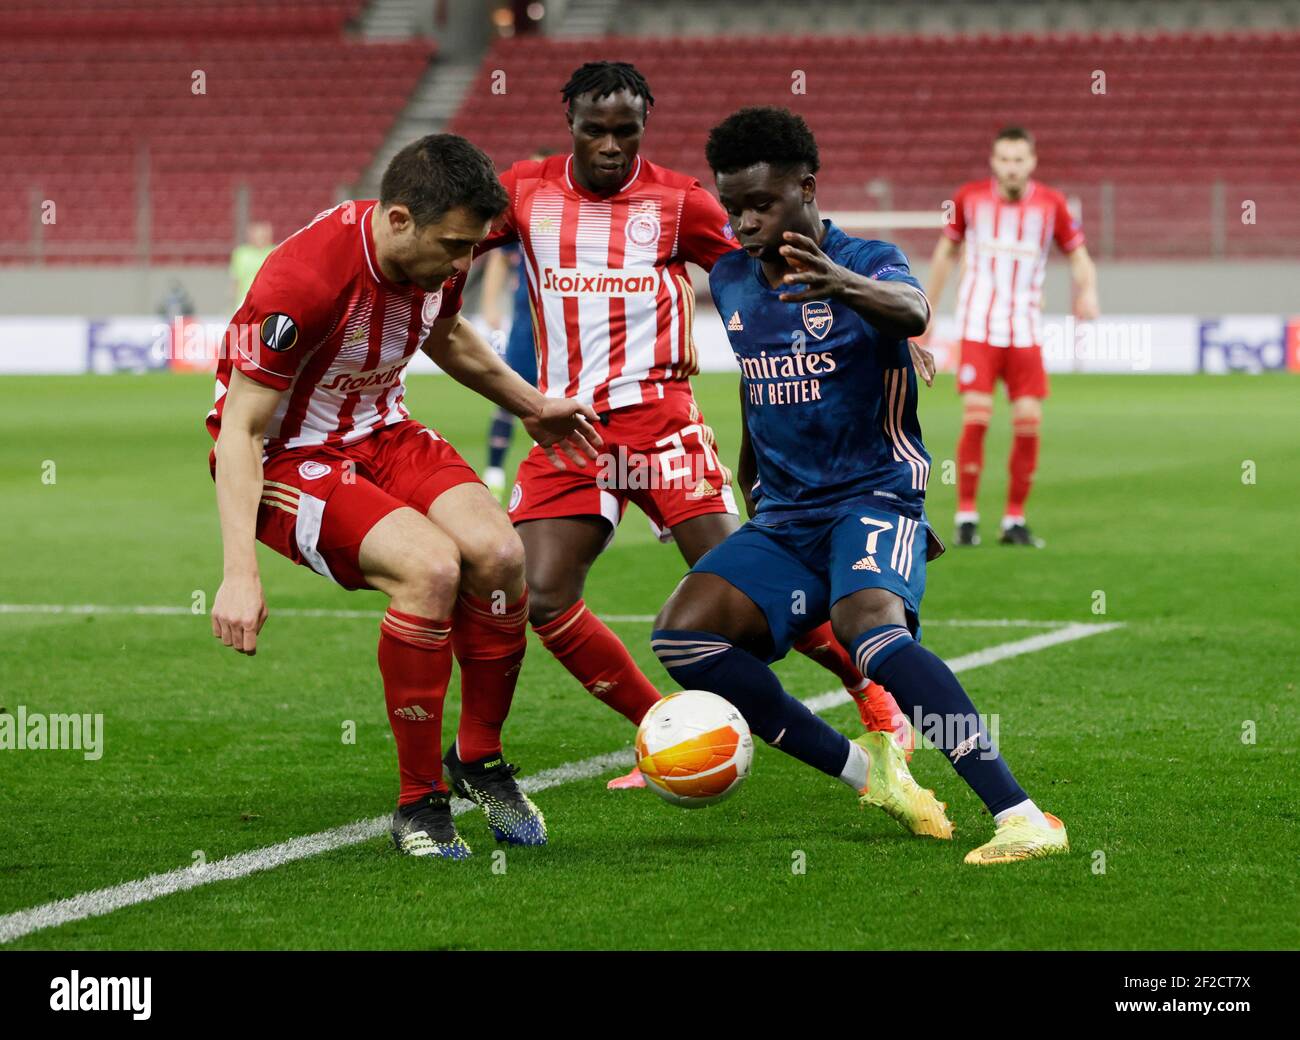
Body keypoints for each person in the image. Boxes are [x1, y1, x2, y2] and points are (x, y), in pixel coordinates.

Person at [478, 62, 914, 791]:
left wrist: (887, 321)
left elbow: (777, 256)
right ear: (571, 126)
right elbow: (451, 235)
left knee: (754, 587)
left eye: (627, 130)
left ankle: (872, 693)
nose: (613, 145)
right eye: (596, 130)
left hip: (663, 426)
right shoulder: (524, 189)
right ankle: (666, 732)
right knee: (542, 594)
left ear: (644, 128)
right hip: (569, 429)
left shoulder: (680, 201)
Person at [652, 106, 1070, 864]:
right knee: (683, 635)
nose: (744, 221)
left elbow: (912, 311)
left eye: (762, 204)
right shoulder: (735, 279)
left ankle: (1022, 815)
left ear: (806, 188)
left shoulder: (867, 257)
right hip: (786, 511)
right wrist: (750, 480)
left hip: (874, 494)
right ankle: (871, 772)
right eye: (732, 205)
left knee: (870, 631)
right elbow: (757, 383)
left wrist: (838, 283)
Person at [207, 134, 601, 860]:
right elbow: (240, 432)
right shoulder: (304, 281)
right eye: (453, 246)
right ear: (396, 220)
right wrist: (239, 571)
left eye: (472, 249)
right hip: (290, 459)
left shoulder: (440, 256)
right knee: (431, 569)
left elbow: (445, 336)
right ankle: (419, 804)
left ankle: (478, 761)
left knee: (499, 553)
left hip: (384, 431)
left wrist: (529, 404)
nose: (462, 264)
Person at [919, 126, 1099, 548]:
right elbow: (946, 252)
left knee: (1028, 424)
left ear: (1032, 162)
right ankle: (967, 517)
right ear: (993, 162)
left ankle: (1014, 520)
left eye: (1019, 159)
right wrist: (928, 306)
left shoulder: (1052, 204)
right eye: (1004, 159)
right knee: (977, 418)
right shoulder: (969, 199)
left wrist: (1087, 290)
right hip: (979, 327)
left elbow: (1079, 255)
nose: (1012, 167)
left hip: (1025, 331)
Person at [479, 150, 551, 494]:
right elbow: (498, 260)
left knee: (558, 398)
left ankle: (558, 468)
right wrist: (490, 303)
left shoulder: (560, 217)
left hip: (556, 329)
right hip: (525, 327)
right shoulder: (520, 220)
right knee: (510, 394)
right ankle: (494, 470)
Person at [229, 220, 275, 309]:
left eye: (262, 235)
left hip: (268, 304)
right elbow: (235, 279)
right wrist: (232, 301)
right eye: (256, 234)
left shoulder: (275, 252)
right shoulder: (241, 253)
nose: (259, 237)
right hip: (245, 303)